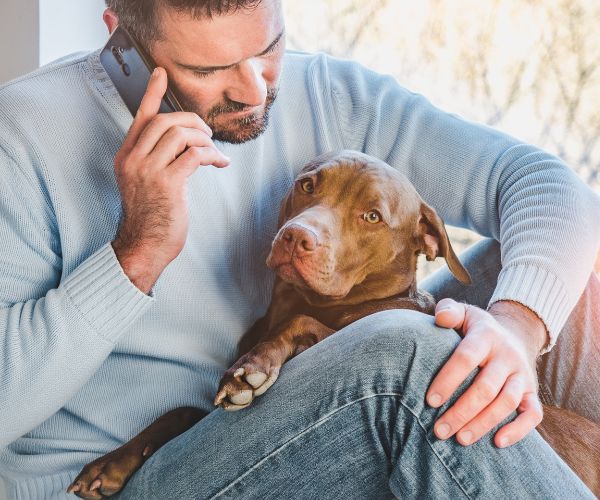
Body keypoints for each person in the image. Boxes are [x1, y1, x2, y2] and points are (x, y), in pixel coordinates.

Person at [0, 0, 598, 498]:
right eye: (208, 69)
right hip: (135, 478)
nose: (255, 89)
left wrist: (517, 329)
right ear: (122, 41)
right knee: (409, 357)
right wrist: (138, 252)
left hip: (296, 403)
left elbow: (546, 188)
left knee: (571, 275)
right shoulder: (23, 136)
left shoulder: (326, 94)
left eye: (268, 47)